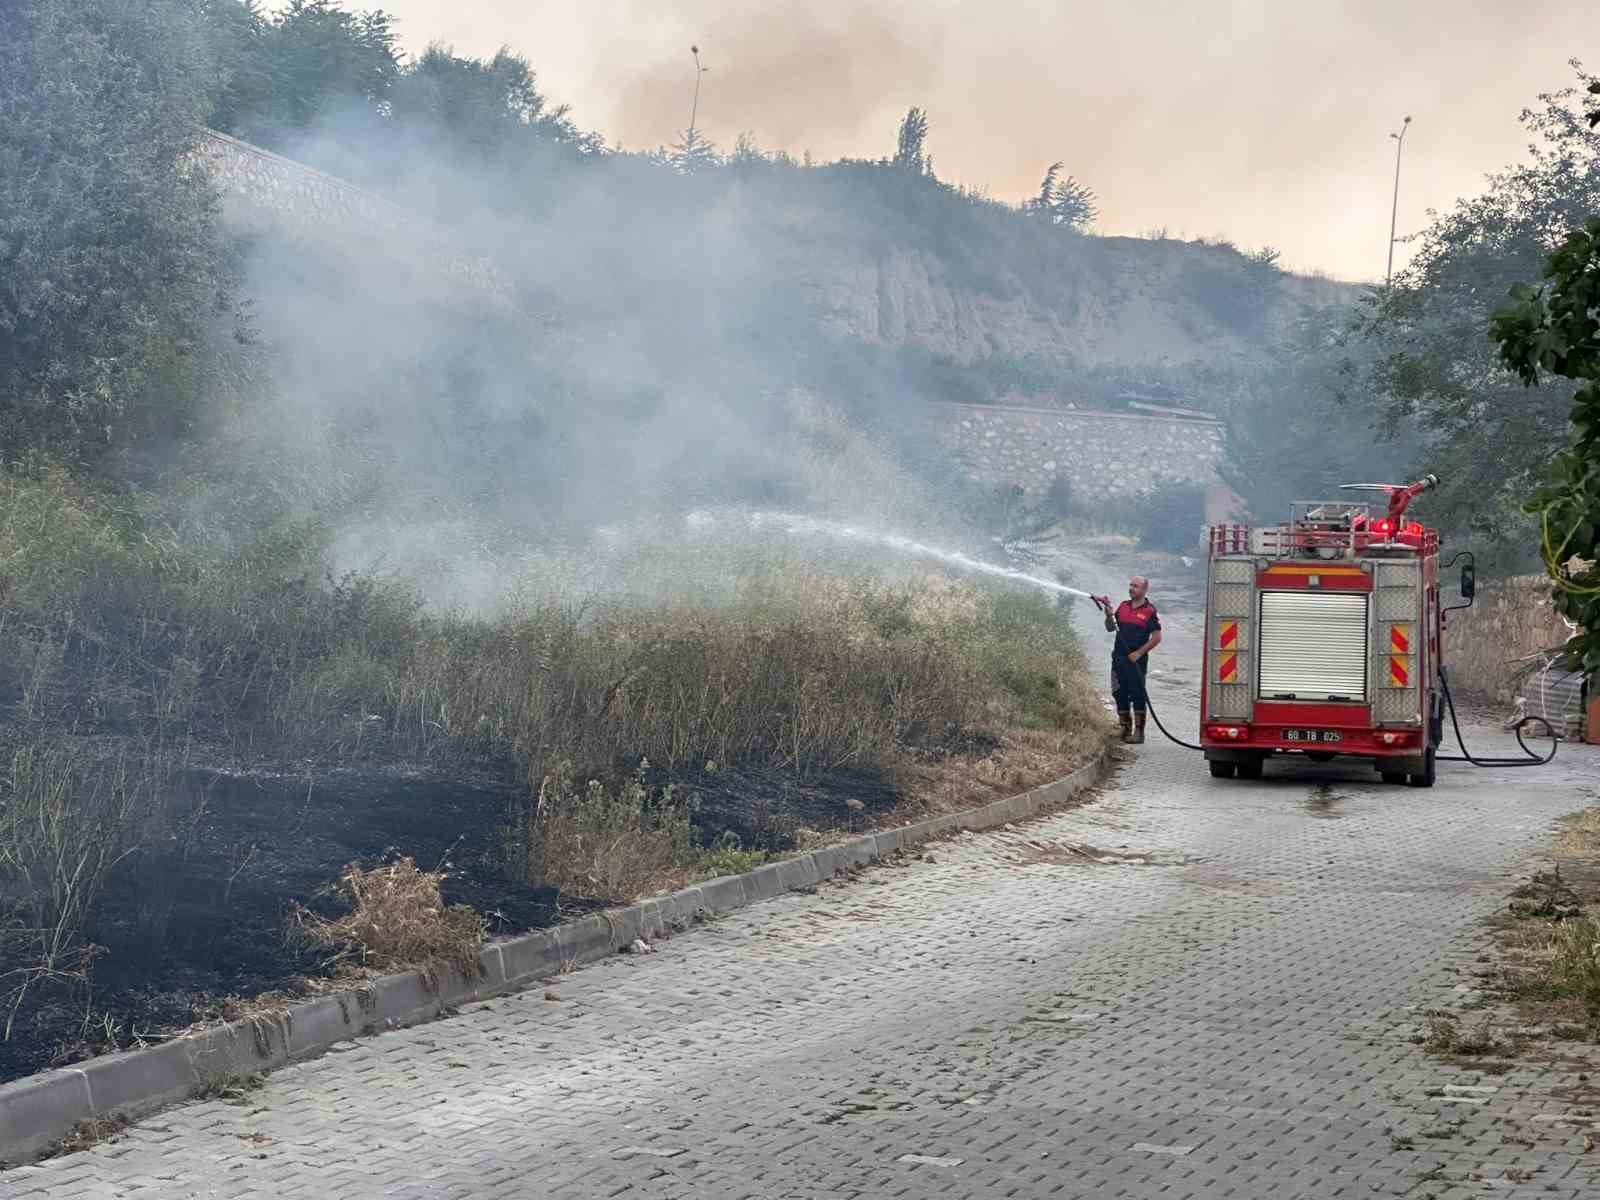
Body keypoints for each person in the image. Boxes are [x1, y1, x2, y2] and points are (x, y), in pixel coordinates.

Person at [1094, 576, 1163, 744]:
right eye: (1131, 585)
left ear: (1144, 589)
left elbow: (1156, 637)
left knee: (1138, 694)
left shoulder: (1149, 611)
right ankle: (1124, 728)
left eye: (1136, 586)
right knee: (1119, 693)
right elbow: (1110, 628)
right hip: (1118, 659)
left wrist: (1139, 653)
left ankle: (1139, 733)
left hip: (1136, 661)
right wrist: (1109, 615)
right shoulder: (1123, 606)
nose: (1131, 588)